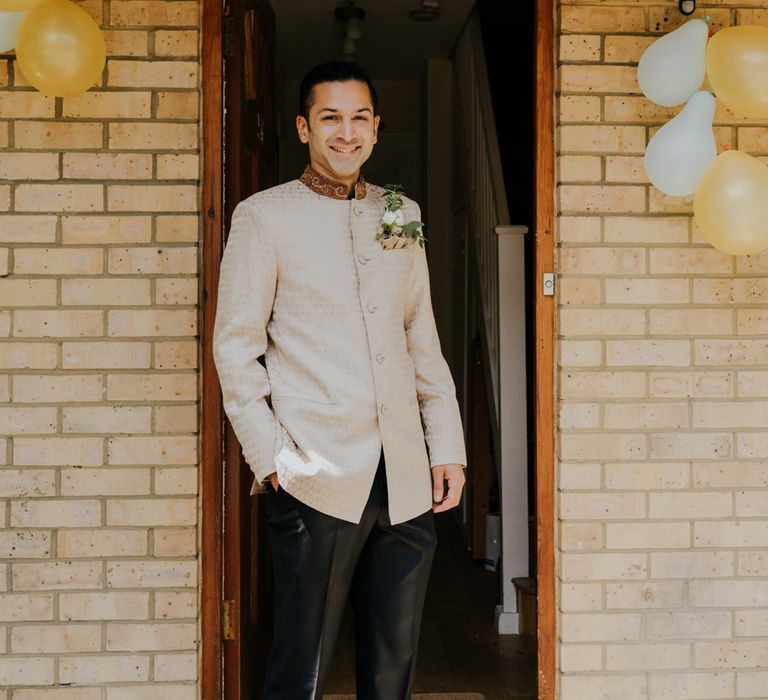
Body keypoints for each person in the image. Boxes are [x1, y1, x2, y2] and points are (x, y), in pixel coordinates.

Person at [212, 59, 467, 700]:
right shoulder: (263, 217)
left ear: (377, 129)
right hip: (315, 474)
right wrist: (272, 459)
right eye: (330, 117)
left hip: (405, 474)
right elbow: (234, 348)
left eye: (359, 118)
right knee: (303, 670)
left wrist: (449, 451)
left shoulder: (400, 214)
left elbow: (423, 345)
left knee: (392, 669)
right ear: (303, 128)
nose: (345, 133)